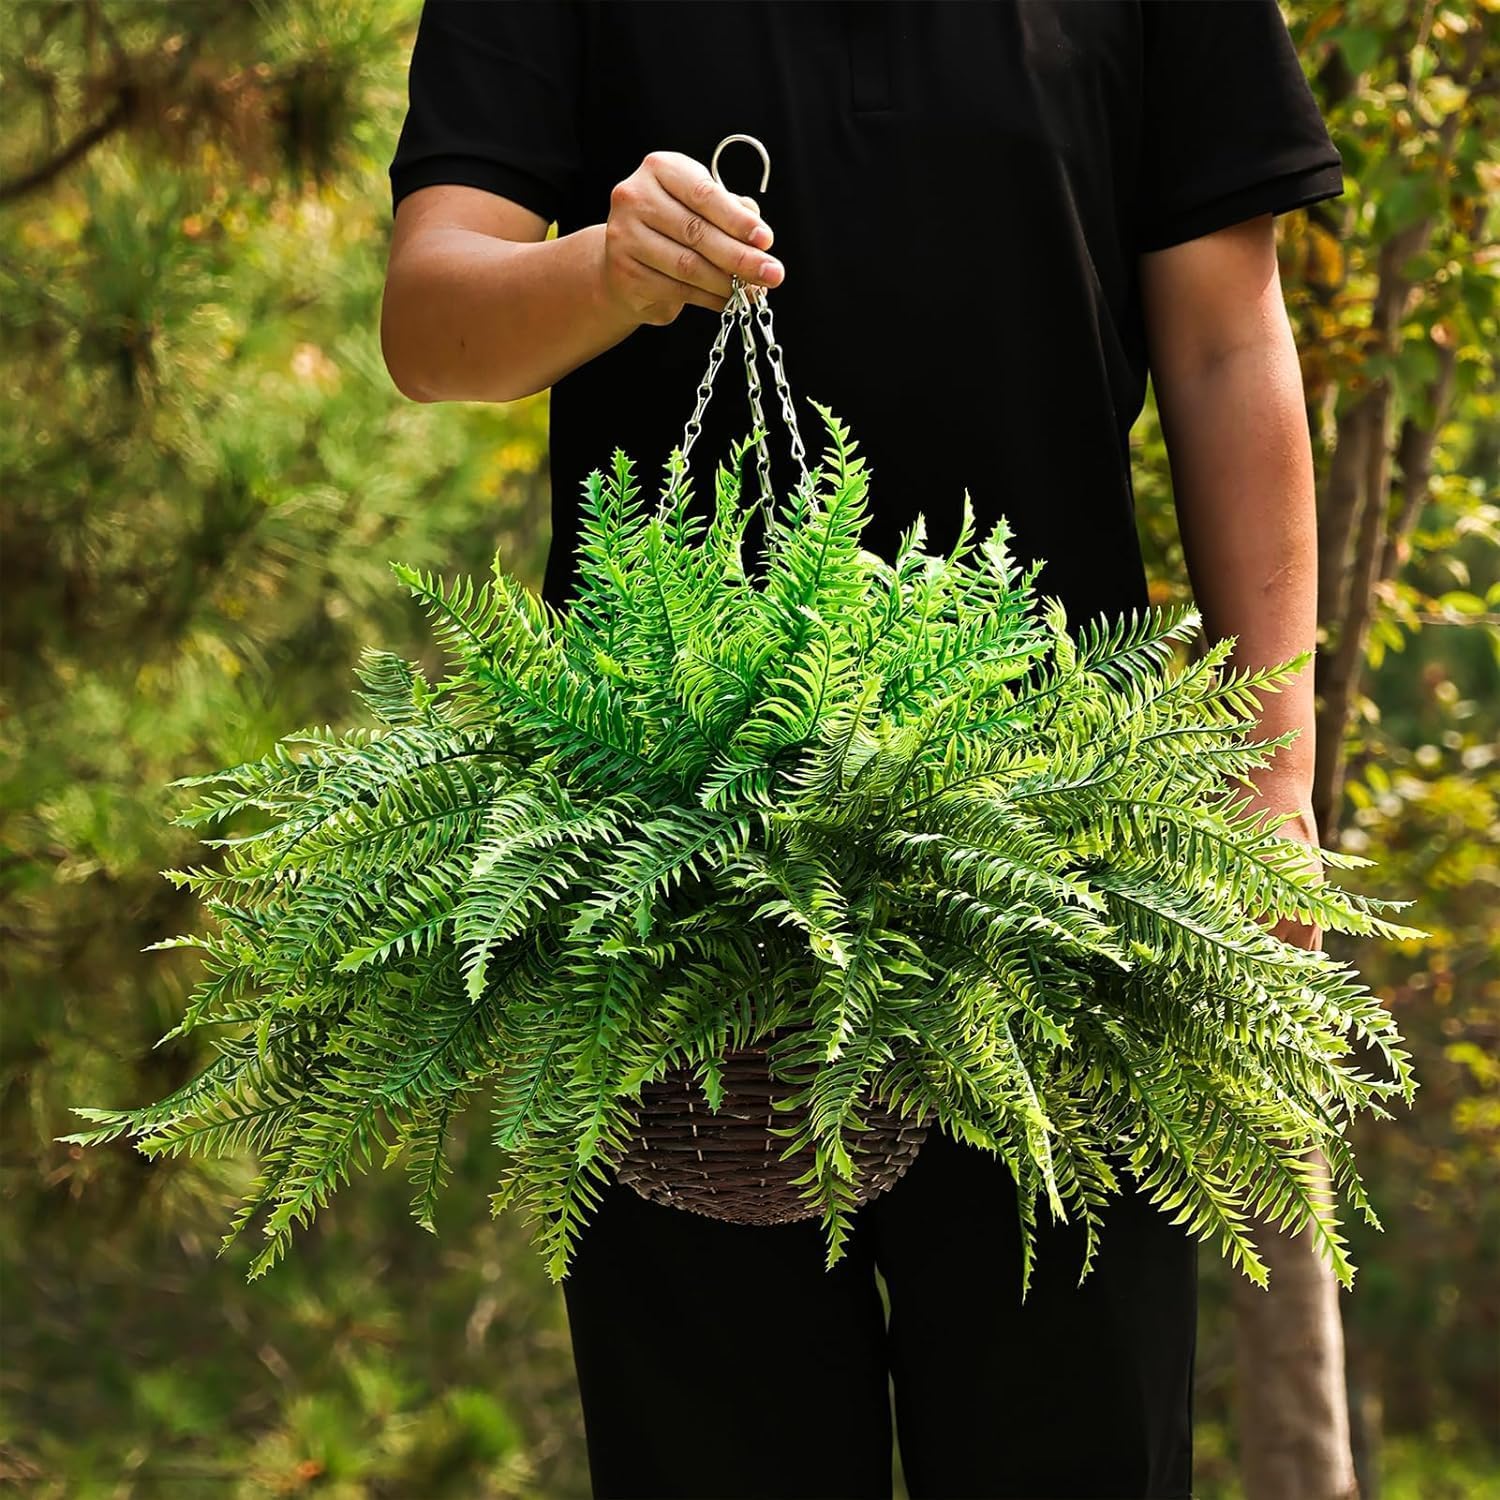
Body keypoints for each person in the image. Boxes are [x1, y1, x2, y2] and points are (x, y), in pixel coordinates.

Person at [381, 3, 1342, 1496]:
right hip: (670, 880)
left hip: (1066, 866)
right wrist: (610, 266)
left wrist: (1275, 770)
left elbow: (1226, 342)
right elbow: (431, 323)